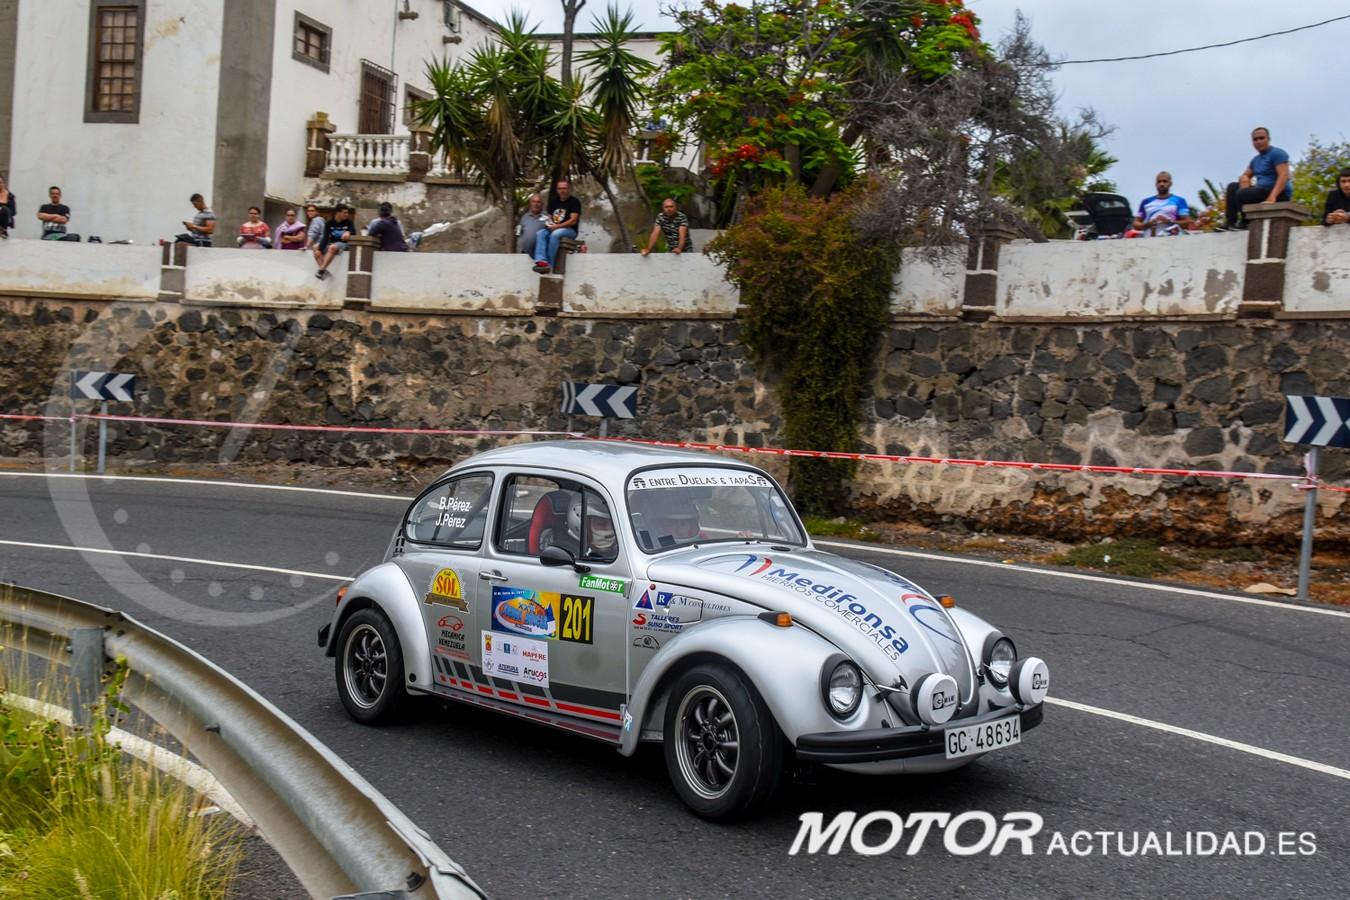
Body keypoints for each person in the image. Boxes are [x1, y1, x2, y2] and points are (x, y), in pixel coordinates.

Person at [1224, 127, 1291, 230]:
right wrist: (1244, 178)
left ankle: (1246, 222)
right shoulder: (1256, 160)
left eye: (1261, 138)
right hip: (1261, 192)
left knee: (1243, 193)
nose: (1258, 142)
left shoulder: (1277, 154)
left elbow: (1284, 175)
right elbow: (1245, 175)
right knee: (1232, 187)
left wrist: (1272, 197)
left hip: (1279, 194)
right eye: (1255, 139)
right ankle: (1230, 223)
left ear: (1268, 139)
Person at [531, 180, 581, 274]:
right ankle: (541, 261)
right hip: (555, 227)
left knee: (555, 234)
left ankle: (550, 264)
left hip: (570, 230)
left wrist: (557, 226)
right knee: (540, 233)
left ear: (568, 189)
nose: (562, 191)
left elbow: (573, 221)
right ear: (557, 190)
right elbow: (550, 217)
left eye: (564, 188)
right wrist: (549, 224)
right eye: (560, 188)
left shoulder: (574, 202)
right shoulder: (554, 202)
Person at [1131, 172, 1190, 236]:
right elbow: (1135, 224)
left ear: (1170, 183)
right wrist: (1147, 224)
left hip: (1172, 239)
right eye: (1159, 182)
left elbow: (1187, 223)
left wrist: (1170, 222)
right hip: (1149, 239)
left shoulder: (1179, 200)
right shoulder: (1146, 202)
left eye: (1165, 181)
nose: (1161, 184)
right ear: (1156, 184)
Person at [316, 205, 354, 279]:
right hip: (332, 244)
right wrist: (319, 250)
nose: (347, 214)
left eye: (347, 213)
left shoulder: (349, 222)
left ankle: (321, 270)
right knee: (315, 247)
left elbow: (353, 232)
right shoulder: (329, 223)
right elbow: (325, 237)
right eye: (344, 212)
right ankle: (324, 271)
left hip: (344, 244)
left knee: (332, 247)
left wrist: (348, 233)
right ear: (338, 213)